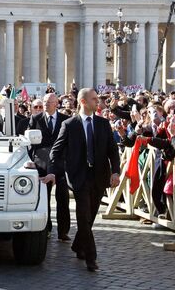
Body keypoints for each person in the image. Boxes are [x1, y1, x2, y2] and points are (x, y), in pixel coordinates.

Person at [45, 88, 120, 272]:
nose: (98, 102)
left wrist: (116, 172)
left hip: (99, 177)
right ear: (83, 102)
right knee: (83, 215)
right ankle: (91, 257)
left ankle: (79, 245)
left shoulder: (103, 124)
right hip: (79, 178)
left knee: (90, 216)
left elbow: (112, 150)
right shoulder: (70, 125)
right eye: (94, 99)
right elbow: (56, 152)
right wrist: (58, 171)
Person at [28, 93, 71, 241]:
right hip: (41, 164)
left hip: (61, 164)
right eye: (44, 101)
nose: (46, 104)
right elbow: (30, 142)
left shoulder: (66, 120)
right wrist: (30, 160)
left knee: (63, 198)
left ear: (56, 104)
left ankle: (63, 231)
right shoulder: (35, 119)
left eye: (49, 102)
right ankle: (45, 228)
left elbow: (69, 143)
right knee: (43, 199)